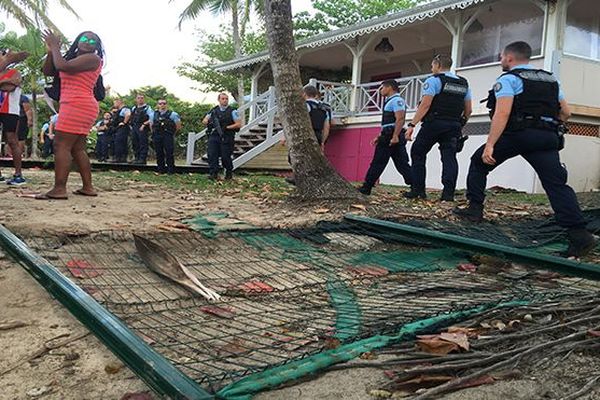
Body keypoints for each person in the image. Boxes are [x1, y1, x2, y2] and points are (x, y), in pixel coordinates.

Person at [454, 41, 596, 257]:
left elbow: (502, 113)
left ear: (509, 58)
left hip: (518, 135)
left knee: (479, 162)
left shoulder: (509, 79)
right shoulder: (551, 79)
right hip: (547, 137)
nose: (501, 60)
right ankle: (579, 236)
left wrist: (490, 145)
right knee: (557, 185)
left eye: (502, 57)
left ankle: (474, 210)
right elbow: (565, 112)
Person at [38, 30, 103, 199]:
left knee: (61, 145)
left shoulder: (93, 59)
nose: (88, 42)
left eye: (92, 41)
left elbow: (62, 67)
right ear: (77, 40)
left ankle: (59, 189)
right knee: (77, 147)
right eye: (84, 38)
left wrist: (54, 46)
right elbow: (49, 71)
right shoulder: (73, 59)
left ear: (97, 47)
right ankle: (88, 187)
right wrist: (51, 52)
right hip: (79, 104)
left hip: (76, 104)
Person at [404, 54, 472, 201]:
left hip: (434, 124)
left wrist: (412, 124)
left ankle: (418, 191)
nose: (431, 68)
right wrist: (460, 124)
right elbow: (468, 110)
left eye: (432, 65)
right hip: (454, 125)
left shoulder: (434, 81)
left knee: (418, 153)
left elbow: (425, 104)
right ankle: (448, 194)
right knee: (449, 158)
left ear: (438, 65)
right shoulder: (464, 83)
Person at [358, 80, 412, 195]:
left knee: (379, 162)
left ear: (389, 88)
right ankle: (415, 185)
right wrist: (379, 136)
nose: (381, 90)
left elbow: (400, 119)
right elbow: (388, 123)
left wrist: (395, 136)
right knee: (401, 163)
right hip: (388, 134)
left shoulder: (397, 100)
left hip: (392, 135)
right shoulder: (390, 101)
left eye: (382, 88)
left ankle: (367, 187)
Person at [283, 85, 332, 185]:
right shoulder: (325, 108)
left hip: (305, 134)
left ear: (304, 94)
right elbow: (327, 126)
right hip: (318, 134)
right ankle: (312, 178)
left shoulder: (305, 105)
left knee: (293, 156)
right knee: (314, 157)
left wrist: (285, 136)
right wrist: (323, 141)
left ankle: (299, 177)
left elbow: (296, 121)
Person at [202, 93, 242, 180]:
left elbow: (238, 124)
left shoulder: (233, 111)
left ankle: (228, 172)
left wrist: (227, 127)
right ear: (219, 100)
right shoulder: (213, 110)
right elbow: (205, 120)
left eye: (226, 99)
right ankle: (213, 173)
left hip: (227, 136)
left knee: (225, 156)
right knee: (212, 154)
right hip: (215, 135)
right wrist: (210, 123)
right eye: (223, 99)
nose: (225, 100)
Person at [0, 57, 27, 185]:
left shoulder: (15, 72)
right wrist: (5, 82)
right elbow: (7, 85)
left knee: (12, 141)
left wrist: (8, 82)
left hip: (10, 111)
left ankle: (18, 175)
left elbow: (10, 88)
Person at [152, 99, 181, 174]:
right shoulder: (153, 114)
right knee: (159, 152)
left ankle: (170, 170)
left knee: (169, 152)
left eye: (164, 103)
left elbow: (178, 125)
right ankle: (160, 169)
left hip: (167, 135)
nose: (162, 105)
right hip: (157, 135)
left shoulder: (173, 114)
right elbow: (151, 125)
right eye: (160, 103)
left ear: (166, 105)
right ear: (157, 105)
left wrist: (172, 133)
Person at [130, 93, 154, 165]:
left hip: (142, 128)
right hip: (134, 127)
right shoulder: (134, 108)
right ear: (136, 99)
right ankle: (136, 158)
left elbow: (151, 119)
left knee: (143, 143)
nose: (140, 99)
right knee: (135, 143)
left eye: (142, 98)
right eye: (138, 98)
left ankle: (142, 159)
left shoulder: (147, 108)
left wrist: (144, 125)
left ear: (144, 99)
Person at [110, 98, 131, 163]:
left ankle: (120, 158)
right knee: (117, 142)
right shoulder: (118, 110)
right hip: (117, 128)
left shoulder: (125, 109)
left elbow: (128, 114)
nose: (114, 104)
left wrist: (124, 122)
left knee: (120, 142)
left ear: (119, 102)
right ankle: (118, 157)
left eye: (115, 103)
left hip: (122, 128)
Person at [16, 94, 32, 158]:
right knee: (9, 138)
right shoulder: (6, 96)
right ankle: (8, 155)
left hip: (21, 118)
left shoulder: (23, 98)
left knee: (21, 137)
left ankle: (18, 155)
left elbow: (28, 110)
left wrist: (29, 120)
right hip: (10, 117)